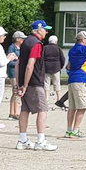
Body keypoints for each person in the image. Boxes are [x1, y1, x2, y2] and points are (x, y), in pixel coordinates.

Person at [15, 20, 57, 151]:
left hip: (24, 81)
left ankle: (22, 140)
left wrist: (19, 83)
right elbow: (29, 65)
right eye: (45, 29)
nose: (46, 31)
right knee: (43, 109)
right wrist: (26, 85)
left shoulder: (25, 42)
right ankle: (41, 140)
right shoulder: (37, 44)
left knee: (25, 110)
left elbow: (18, 64)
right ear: (39, 30)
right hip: (34, 82)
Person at [6, 31, 26, 120]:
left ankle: (13, 112)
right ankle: (14, 113)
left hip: (17, 72)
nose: (23, 40)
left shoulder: (20, 48)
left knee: (16, 92)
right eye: (22, 38)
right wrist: (19, 62)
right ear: (17, 39)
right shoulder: (12, 48)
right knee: (16, 92)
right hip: (13, 73)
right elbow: (9, 62)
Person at [43, 35, 65, 101]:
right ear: (56, 41)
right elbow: (62, 59)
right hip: (56, 67)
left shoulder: (45, 48)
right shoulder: (58, 48)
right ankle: (58, 98)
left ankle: (46, 97)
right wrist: (60, 66)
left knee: (46, 82)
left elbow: (42, 58)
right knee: (57, 82)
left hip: (46, 67)